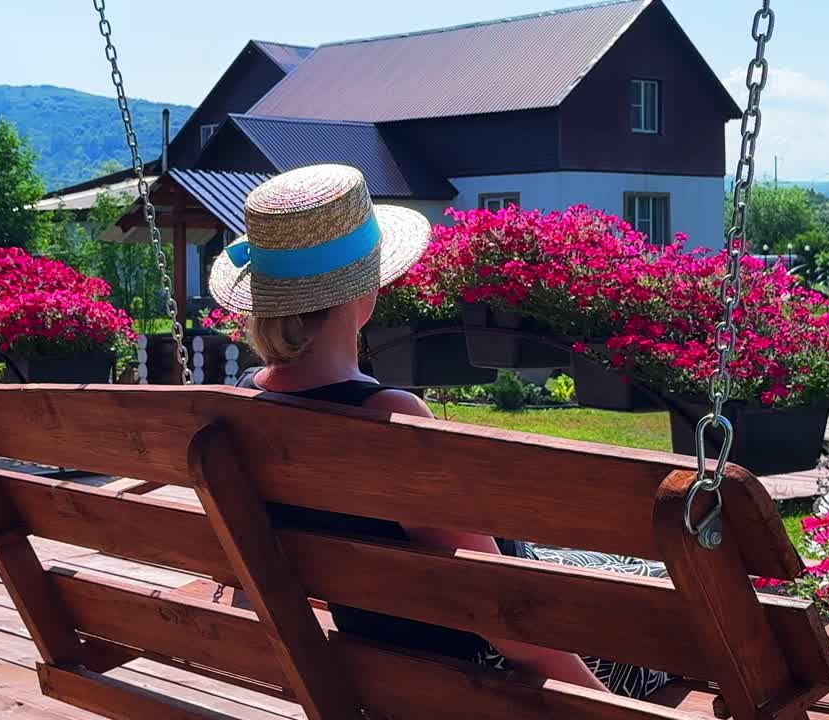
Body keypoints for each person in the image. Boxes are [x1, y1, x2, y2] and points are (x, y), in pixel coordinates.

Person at [208, 164, 669, 699]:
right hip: (471, 675)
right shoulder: (389, 419)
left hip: (376, 654)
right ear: (366, 292)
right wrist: (602, 707)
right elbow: (497, 610)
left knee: (615, 571)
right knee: (655, 600)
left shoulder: (242, 402)